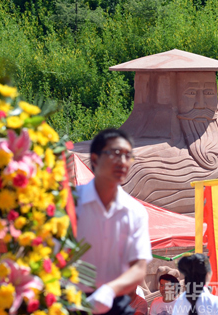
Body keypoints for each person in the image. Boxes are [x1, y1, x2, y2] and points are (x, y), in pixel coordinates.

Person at [76, 128, 153, 314]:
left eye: (128, 156)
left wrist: (109, 290)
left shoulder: (135, 211)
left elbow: (139, 269)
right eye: (116, 154)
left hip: (115, 302)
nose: (123, 162)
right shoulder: (71, 203)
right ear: (94, 159)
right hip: (72, 302)